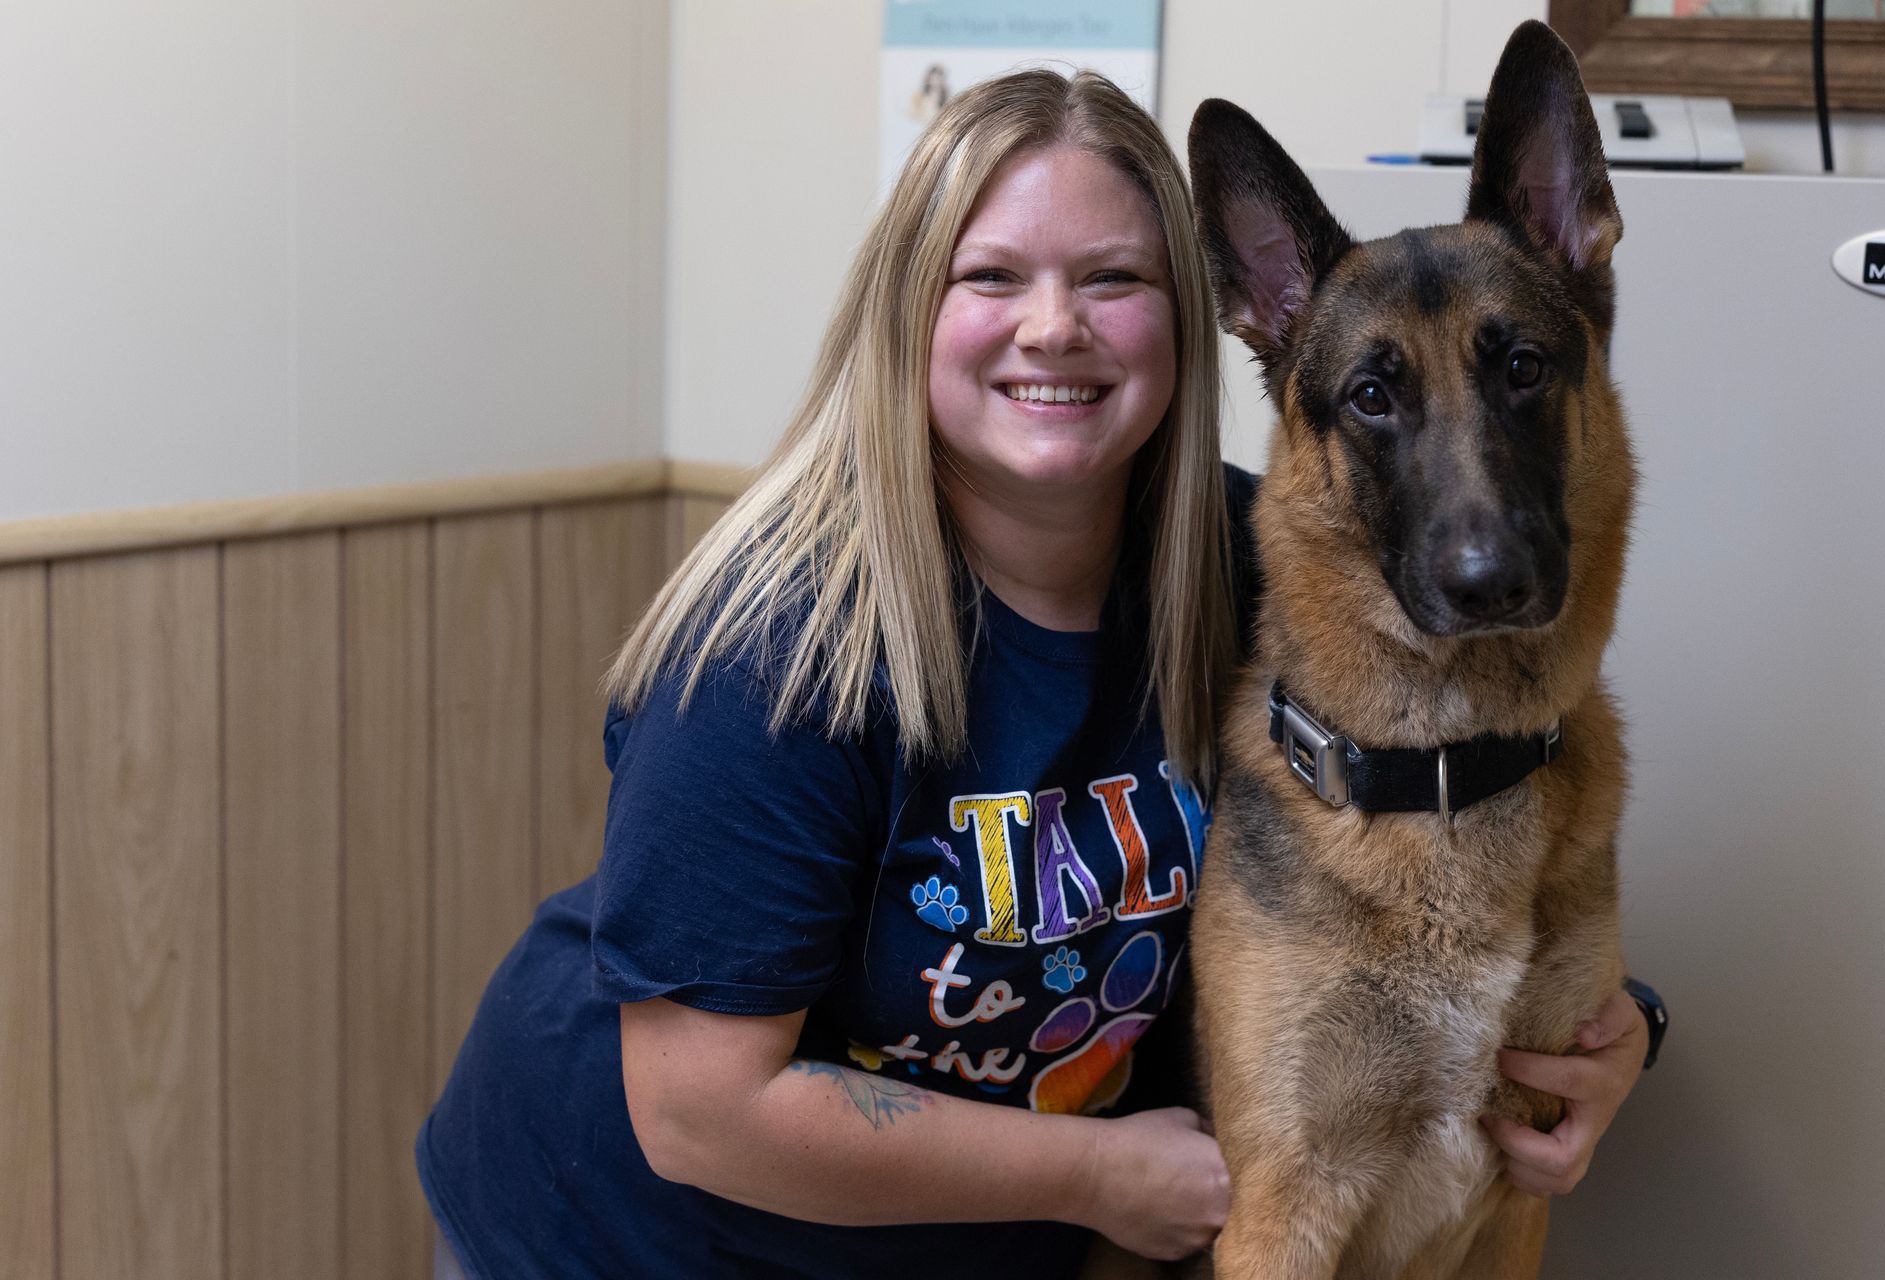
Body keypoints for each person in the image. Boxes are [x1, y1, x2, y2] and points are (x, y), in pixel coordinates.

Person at [415, 68, 1647, 1280]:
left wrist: (1616, 1029)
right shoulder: (773, 655)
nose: (1054, 325)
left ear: (1194, 313)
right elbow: (699, 1114)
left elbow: (1466, 808)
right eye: (992, 275)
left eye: (1113, 278)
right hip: (624, 1237)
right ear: (910, 313)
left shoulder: (1254, 566)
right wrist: (1099, 1175)